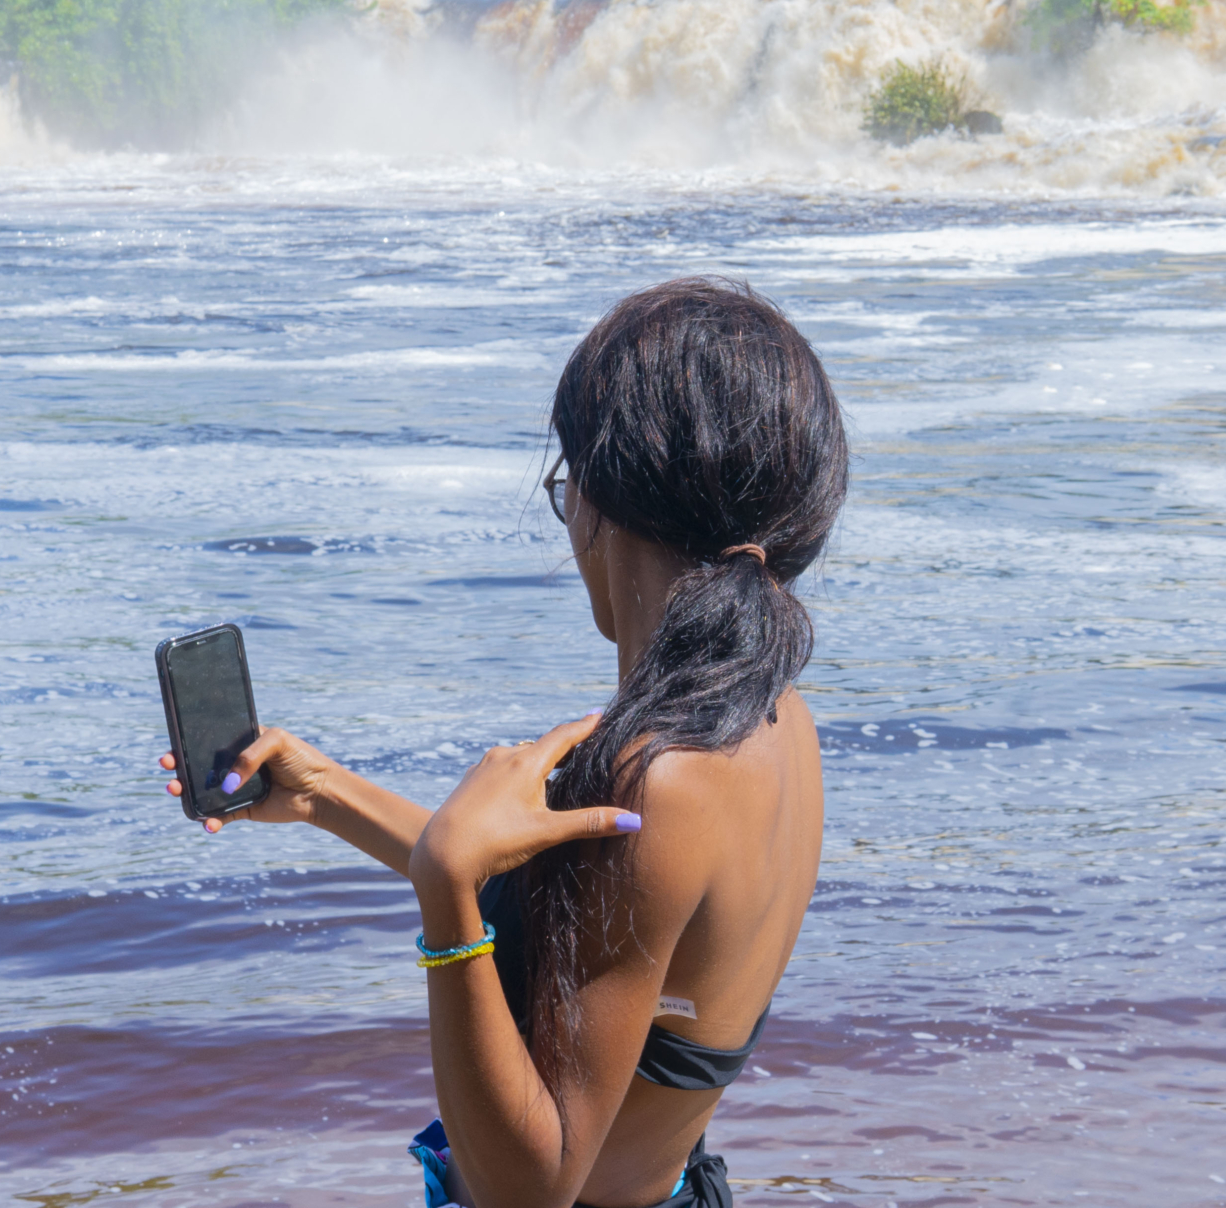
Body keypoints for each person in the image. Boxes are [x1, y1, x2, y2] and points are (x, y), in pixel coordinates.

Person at [157, 277, 849, 1208]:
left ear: (599, 502)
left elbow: (530, 1187)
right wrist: (325, 794)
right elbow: (578, 908)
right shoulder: (771, 719)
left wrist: (447, 895)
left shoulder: (656, 780)